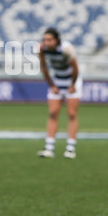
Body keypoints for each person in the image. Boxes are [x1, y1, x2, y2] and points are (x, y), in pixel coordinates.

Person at [37, 27, 82, 159]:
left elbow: (75, 68)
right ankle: (49, 148)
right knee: (53, 113)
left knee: (72, 114)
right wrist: (52, 85)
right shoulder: (41, 49)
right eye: (45, 39)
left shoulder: (66, 49)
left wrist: (72, 85)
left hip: (71, 81)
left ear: (56, 40)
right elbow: (43, 67)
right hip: (57, 80)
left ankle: (70, 148)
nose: (46, 42)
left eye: (49, 40)